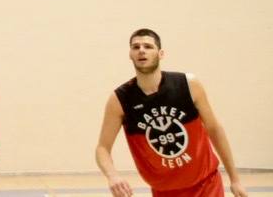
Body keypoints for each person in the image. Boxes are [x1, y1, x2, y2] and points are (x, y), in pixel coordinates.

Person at [95, 29, 247, 197]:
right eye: (135, 47)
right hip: (164, 191)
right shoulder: (120, 99)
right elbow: (102, 148)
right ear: (130, 54)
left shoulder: (188, 85)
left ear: (161, 54)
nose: (141, 50)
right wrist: (112, 176)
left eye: (148, 46)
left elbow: (215, 129)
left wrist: (235, 179)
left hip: (206, 185)